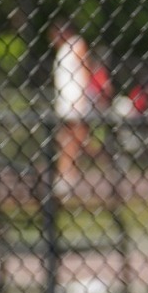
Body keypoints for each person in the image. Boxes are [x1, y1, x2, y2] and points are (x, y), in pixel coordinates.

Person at [48, 20, 105, 199]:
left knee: (71, 138)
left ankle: (67, 175)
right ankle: (68, 173)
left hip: (76, 99)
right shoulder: (63, 49)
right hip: (65, 100)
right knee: (68, 138)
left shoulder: (77, 44)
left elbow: (85, 69)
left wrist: (83, 96)